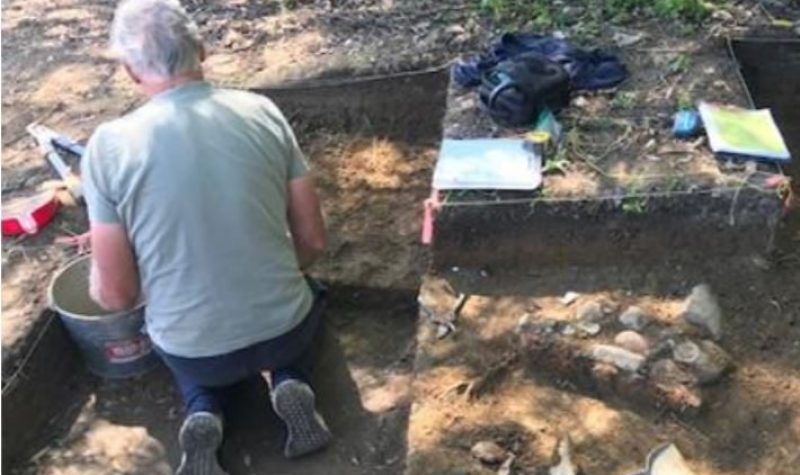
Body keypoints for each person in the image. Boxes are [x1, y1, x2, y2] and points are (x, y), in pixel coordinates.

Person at [80, 0, 331, 473]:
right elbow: (314, 241)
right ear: (202, 48)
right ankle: (289, 380)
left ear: (131, 72)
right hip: (284, 329)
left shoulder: (107, 148)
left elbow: (116, 296)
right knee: (310, 300)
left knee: (186, 349)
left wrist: (102, 270)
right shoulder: (262, 112)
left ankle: (202, 409)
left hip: (194, 349)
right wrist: (269, 267)